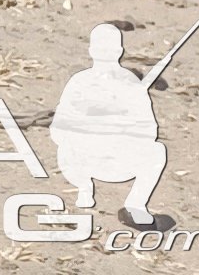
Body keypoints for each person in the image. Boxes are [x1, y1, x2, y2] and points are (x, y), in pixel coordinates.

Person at [52, 21, 169, 227]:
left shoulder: (132, 86)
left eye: (110, 49)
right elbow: (58, 129)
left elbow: (149, 131)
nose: (106, 54)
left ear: (119, 51)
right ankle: (84, 187)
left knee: (157, 150)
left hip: (118, 159)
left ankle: (135, 205)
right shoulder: (79, 82)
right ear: (92, 50)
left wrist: (125, 127)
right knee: (68, 144)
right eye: (100, 48)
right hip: (83, 159)